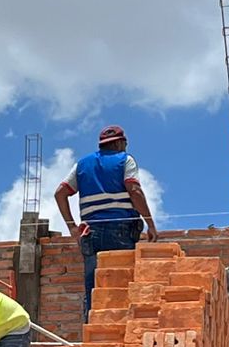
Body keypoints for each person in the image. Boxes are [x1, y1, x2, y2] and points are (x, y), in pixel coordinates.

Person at [54, 124, 159, 321]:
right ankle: (120, 334)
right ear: (120, 143)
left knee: (94, 289)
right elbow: (134, 191)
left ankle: (93, 333)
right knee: (120, 286)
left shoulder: (82, 164)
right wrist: (150, 224)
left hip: (90, 233)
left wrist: (71, 227)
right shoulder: (125, 160)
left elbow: (60, 193)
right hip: (121, 229)